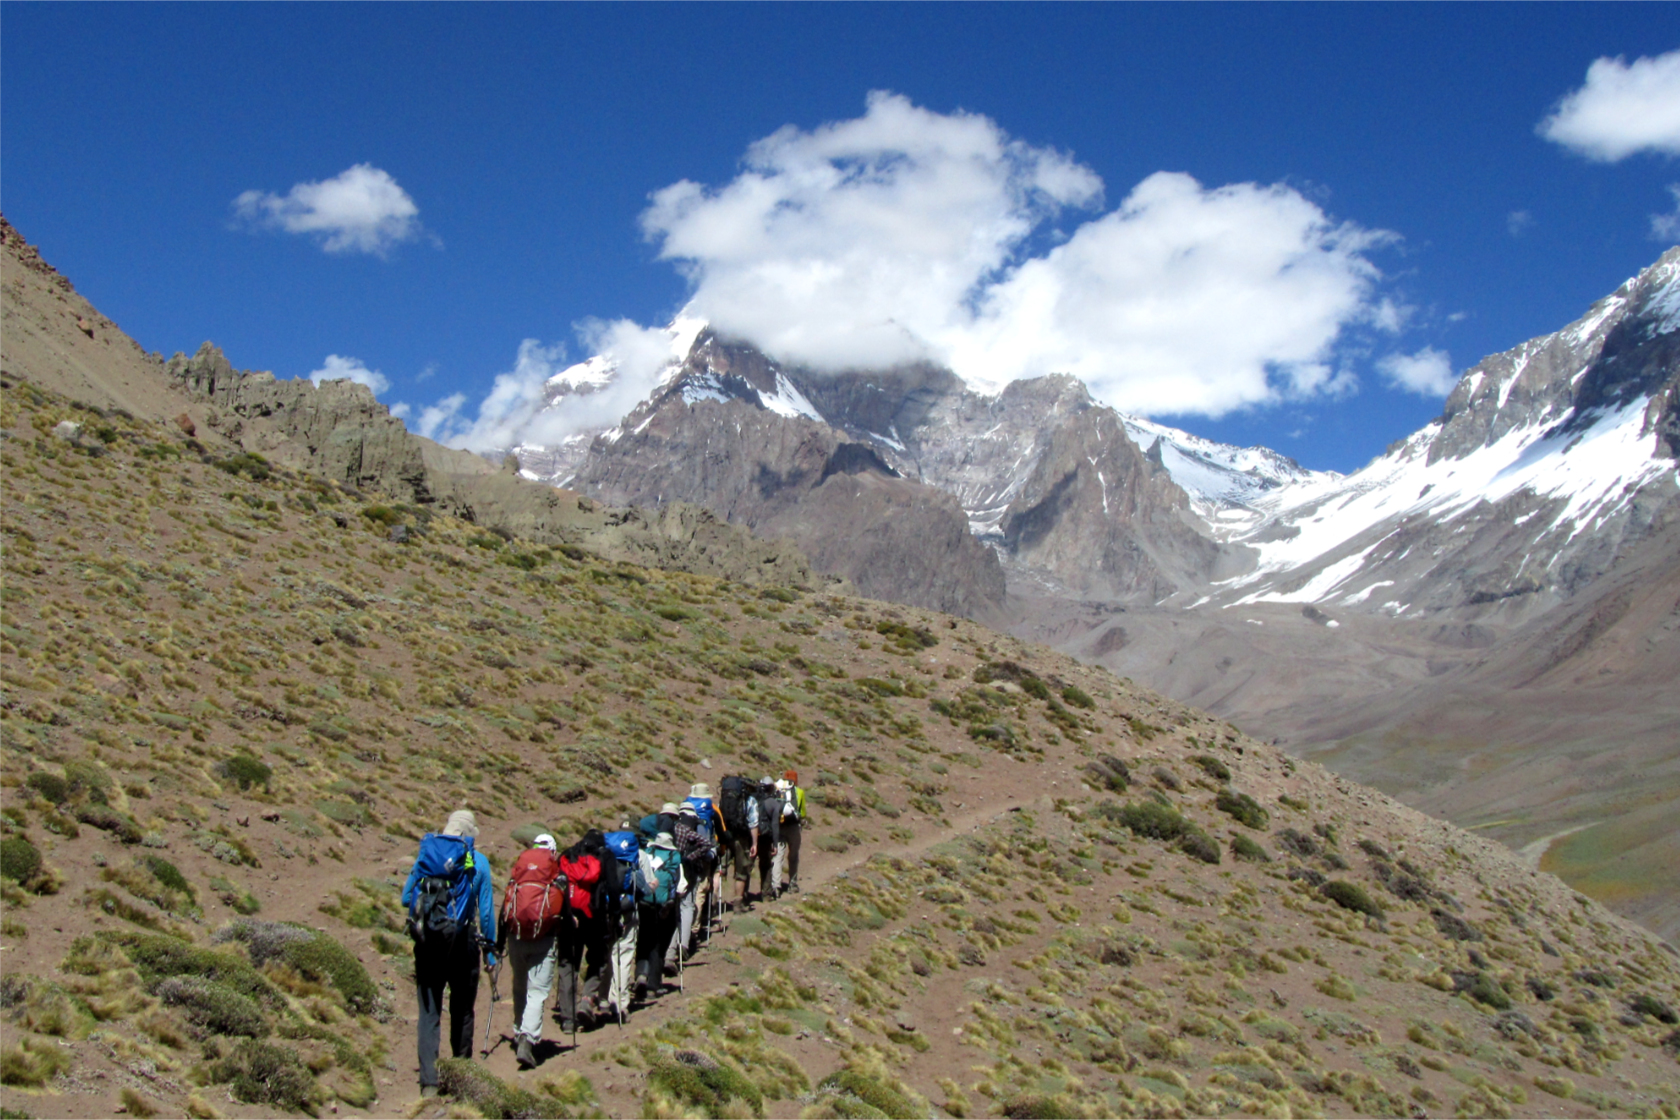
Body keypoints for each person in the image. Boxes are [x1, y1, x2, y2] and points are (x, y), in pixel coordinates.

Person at [402, 809, 497, 1098]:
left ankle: (429, 1083)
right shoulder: (478, 862)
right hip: (463, 940)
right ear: (469, 836)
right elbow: (486, 911)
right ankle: (461, 1075)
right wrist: (490, 953)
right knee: (462, 1009)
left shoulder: (427, 857)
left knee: (429, 1011)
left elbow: (407, 897)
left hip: (428, 940)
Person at [498, 834, 565, 1069]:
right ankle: (528, 1036)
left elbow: (506, 904)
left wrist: (498, 942)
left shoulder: (520, 870)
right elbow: (563, 907)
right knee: (537, 991)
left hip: (515, 937)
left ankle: (518, 1032)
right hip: (544, 939)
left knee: (519, 985)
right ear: (553, 851)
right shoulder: (556, 873)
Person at [634, 831, 685, 1001]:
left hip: (644, 901)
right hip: (664, 906)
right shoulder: (675, 858)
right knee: (658, 944)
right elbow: (682, 886)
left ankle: (641, 973)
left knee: (643, 939)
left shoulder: (646, 854)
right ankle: (653, 986)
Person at [775, 772, 806, 894]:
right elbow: (802, 813)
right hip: (793, 827)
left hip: (779, 826)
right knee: (793, 856)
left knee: (778, 855)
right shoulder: (799, 792)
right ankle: (792, 884)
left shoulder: (777, 789)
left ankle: (776, 885)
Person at [755, 776, 784, 902]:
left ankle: (742, 896)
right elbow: (775, 826)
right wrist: (776, 844)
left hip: (752, 836)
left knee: (747, 866)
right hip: (766, 838)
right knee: (766, 865)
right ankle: (766, 894)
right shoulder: (773, 803)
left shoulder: (753, 800)